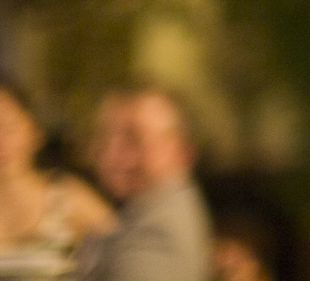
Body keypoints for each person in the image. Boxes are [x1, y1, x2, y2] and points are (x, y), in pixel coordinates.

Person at [82, 89, 210, 281]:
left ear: (182, 151)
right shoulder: (150, 210)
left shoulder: (157, 235)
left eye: (133, 138)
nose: (110, 154)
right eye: (104, 135)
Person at [0, 76, 112, 277]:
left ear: (35, 132)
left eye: (9, 128)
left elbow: (125, 250)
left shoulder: (65, 198)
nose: (2, 143)